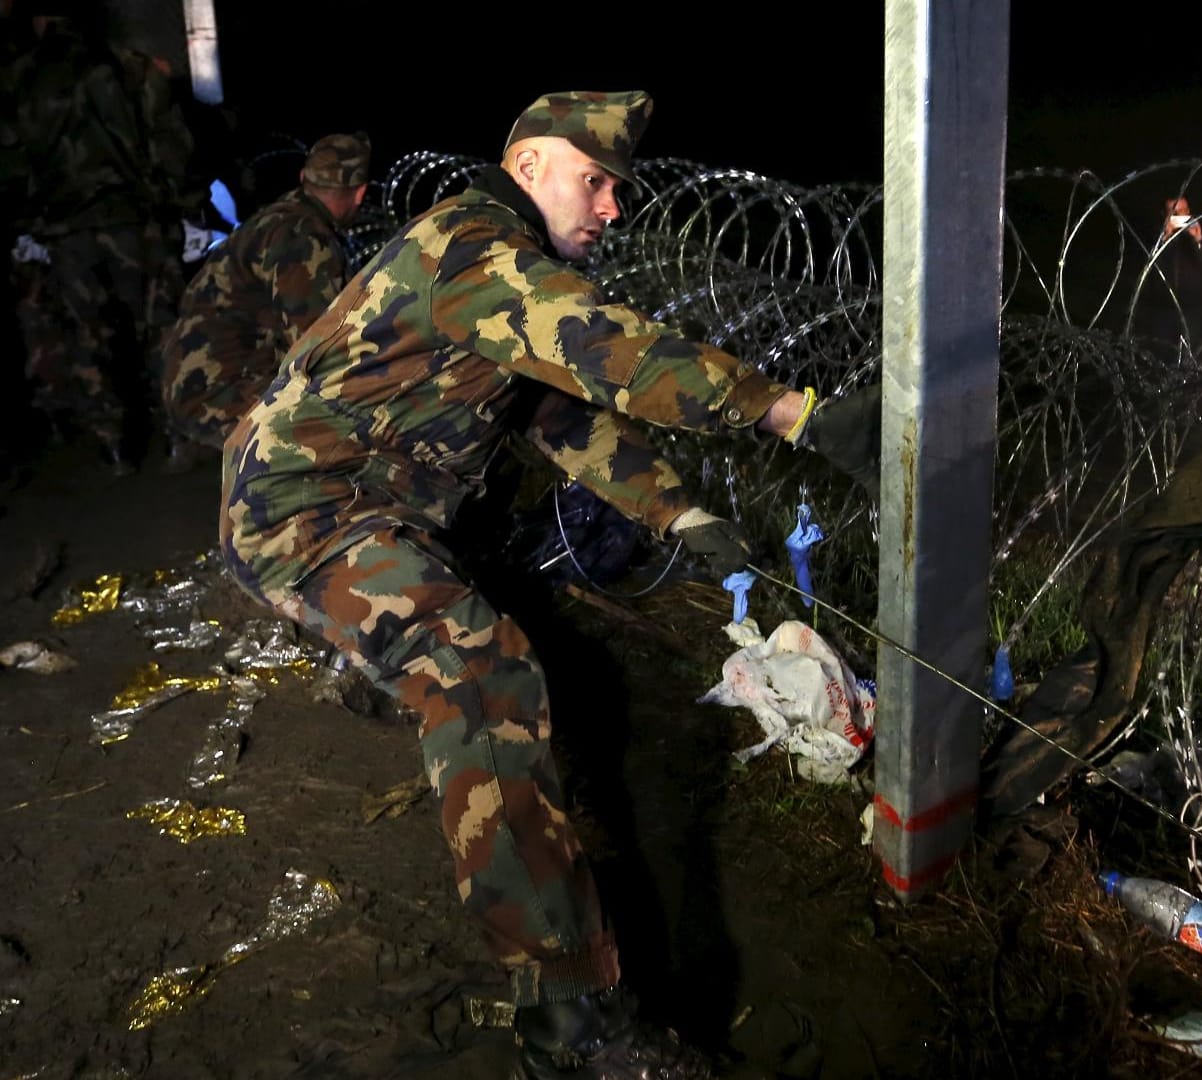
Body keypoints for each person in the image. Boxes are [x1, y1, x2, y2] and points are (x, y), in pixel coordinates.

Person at [219, 91, 879, 1079]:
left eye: (618, 189)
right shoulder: (474, 252)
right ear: (528, 166)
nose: (612, 208)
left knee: (471, 597)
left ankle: (375, 663)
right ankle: (572, 1022)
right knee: (484, 669)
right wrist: (787, 410)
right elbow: (602, 349)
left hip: (373, 503)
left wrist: (679, 516)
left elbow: (563, 416)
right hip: (302, 509)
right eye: (596, 181)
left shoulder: (496, 267)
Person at [0, 5, 197, 473]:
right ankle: (176, 434)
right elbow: (170, 144)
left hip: (66, 231)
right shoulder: (127, 66)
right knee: (160, 328)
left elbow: (11, 162)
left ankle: (113, 447)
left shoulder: (17, 80)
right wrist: (183, 204)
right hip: (136, 222)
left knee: (89, 338)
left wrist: (26, 223)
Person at [160, 133, 371, 460]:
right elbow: (314, 351)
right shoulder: (306, 239)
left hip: (191, 380)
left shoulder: (276, 218)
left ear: (303, 178)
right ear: (360, 194)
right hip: (219, 391)